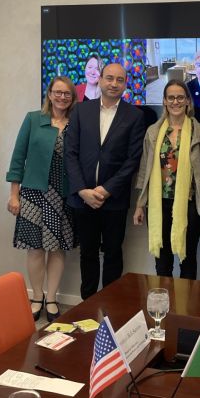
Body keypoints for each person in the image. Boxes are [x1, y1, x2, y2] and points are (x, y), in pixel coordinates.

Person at [64, 62, 145, 299]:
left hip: (114, 200)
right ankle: (86, 304)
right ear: (99, 80)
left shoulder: (134, 116)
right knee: (87, 253)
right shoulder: (80, 110)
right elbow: (71, 152)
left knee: (113, 253)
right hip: (83, 199)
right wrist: (82, 190)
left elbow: (133, 160)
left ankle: (112, 306)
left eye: (120, 80)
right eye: (109, 78)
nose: (114, 84)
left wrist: (107, 189)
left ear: (126, 84)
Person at [6, 76, 78, 322]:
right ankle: (37, 296)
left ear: (72, 97)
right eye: (57, 92)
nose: (62, 97)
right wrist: (14, 194)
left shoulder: (76, 123)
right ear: (49, 94)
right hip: (34, 192)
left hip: (64, 194)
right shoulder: (33, 119)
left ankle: (53, 298)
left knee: (57, 249)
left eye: (67, 93)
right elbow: (18, 158)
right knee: (35, 248)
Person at [133, 80, 200, 279]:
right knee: (163, 261)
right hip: (159, 204)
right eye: (171, 97)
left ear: (187, 101)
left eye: (180, 97)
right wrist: (140, 205)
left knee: (188, 259)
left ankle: (185, 308)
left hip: (190, 204)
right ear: (165, 101)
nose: (175, 101)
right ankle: (164, 307)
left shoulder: (199, 132)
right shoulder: (153, 132)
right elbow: (145, 169)